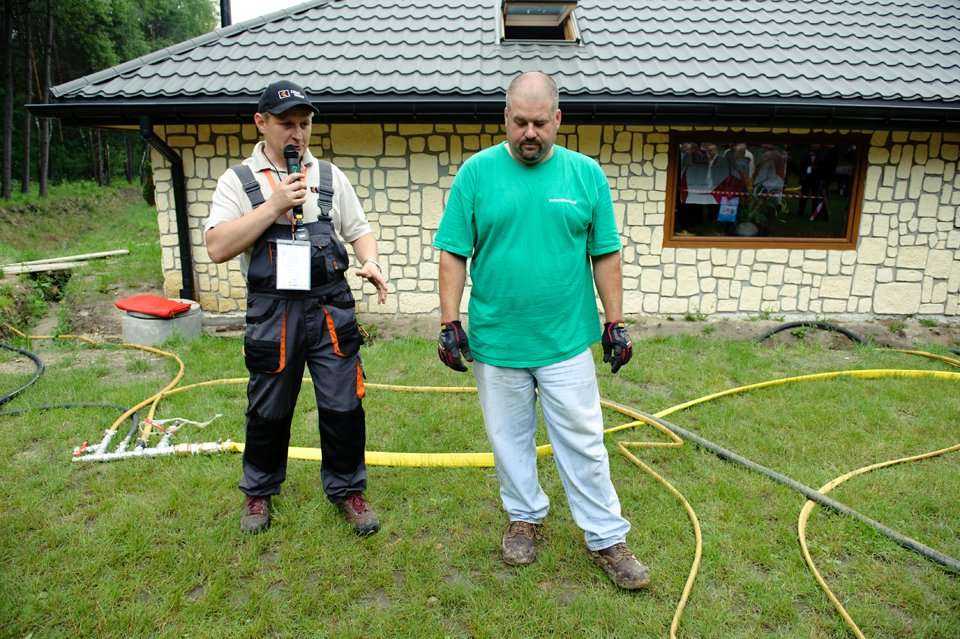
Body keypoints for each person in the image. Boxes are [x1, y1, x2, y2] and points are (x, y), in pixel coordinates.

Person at [433, 71, 650, 590]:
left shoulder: (585, 175)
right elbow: (453, 252)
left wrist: (614, 322)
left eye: (539, 123)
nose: (530, 133)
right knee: (509, 440)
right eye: (519, 122)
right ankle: (524, 518)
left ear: (558, 119)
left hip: (566, 341)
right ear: (505, 117)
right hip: (497, 340)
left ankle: (606, 537)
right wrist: (448, 321)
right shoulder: (476, 174)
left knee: (584, 441)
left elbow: (605, 252)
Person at [204, 80, 388, 536]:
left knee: (345, 404)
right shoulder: (239, 181)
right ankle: (258, 494)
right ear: (261, 123)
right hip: (273, 313)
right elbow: (216, 246)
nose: (298, 134)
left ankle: (348, 491)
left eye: (304, 124)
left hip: (330, 309)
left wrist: (370, 260)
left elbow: (358, 228)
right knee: (268, 407)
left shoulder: (328, 176)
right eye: (287, 124)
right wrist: (272, 206)